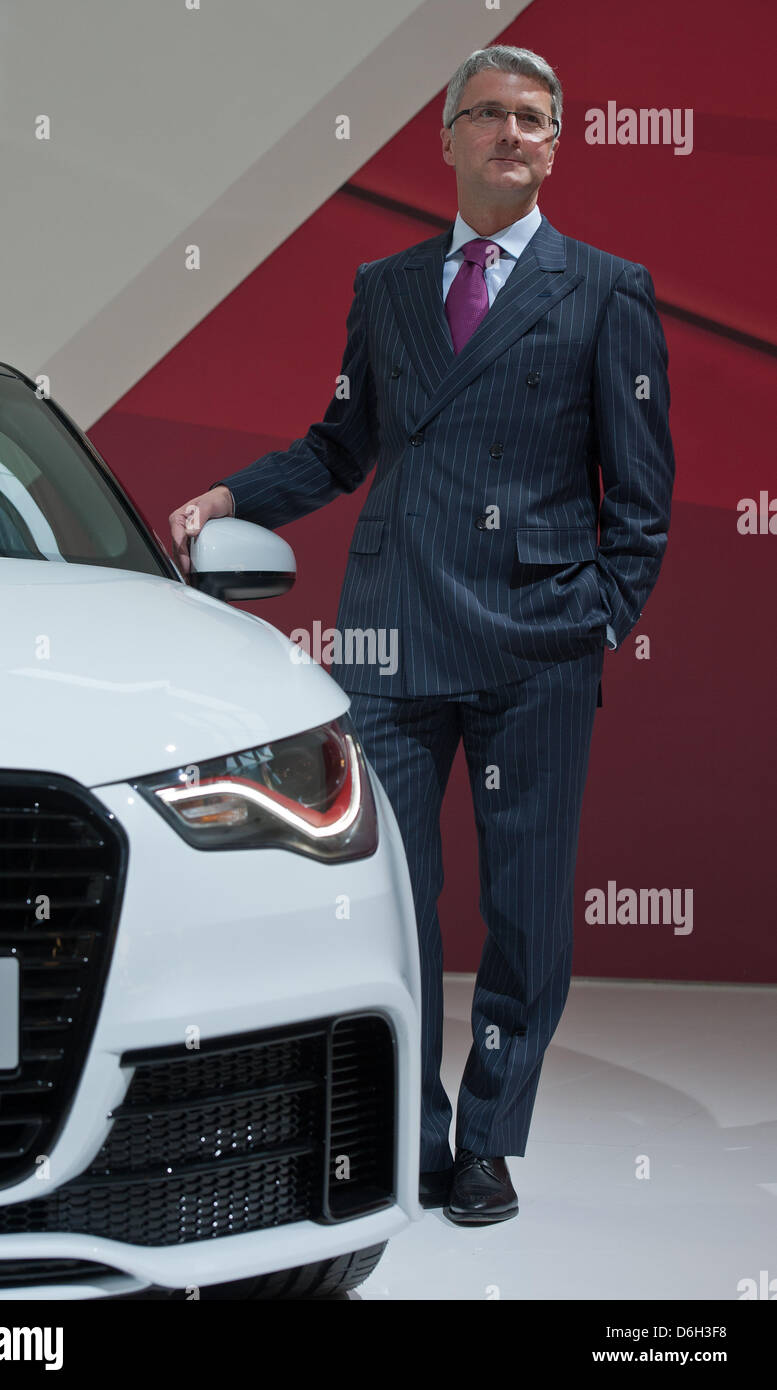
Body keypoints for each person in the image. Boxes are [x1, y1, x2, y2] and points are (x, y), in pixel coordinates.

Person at [169, 43, 675, 1226]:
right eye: (490, 114)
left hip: (533, 644)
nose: (512, 134)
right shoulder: (387, 288)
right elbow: (340, 445)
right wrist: (233, 497)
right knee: (387, 896)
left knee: (525, 909)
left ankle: (489, 1140)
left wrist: (592, 618)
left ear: (558, 146)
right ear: (442, 138)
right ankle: (414, 1129)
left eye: (535, 120)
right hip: (390, 641)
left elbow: (640, 501)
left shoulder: (608, 289)